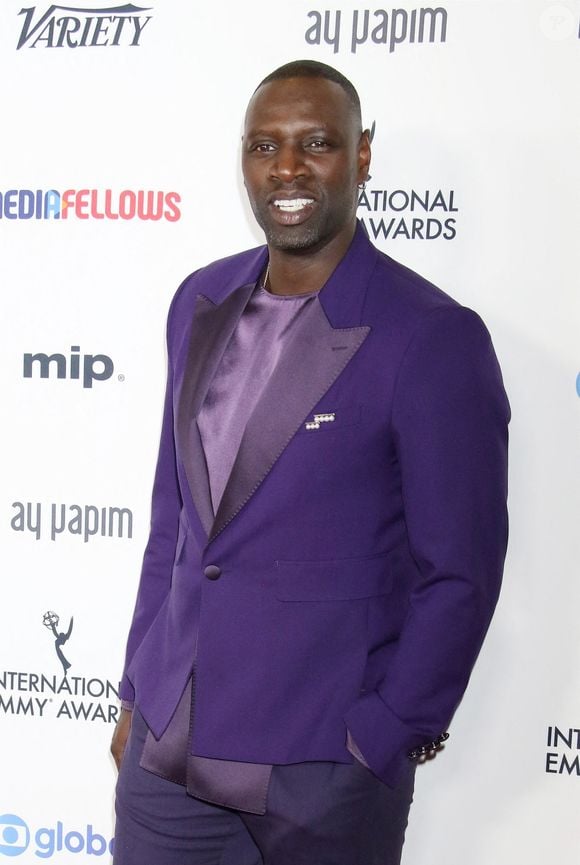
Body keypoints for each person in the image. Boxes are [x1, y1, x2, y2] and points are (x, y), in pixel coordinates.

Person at [111, 59, 510, 865]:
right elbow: (173, 523)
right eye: (264, 146)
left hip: (322, 773)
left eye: (316, 144)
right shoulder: (199, 300)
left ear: (362, 157)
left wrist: (388, 733)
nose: (287, 169)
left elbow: (461, 571)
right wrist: (135, 691)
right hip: (168, 756)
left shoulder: (430, 335)